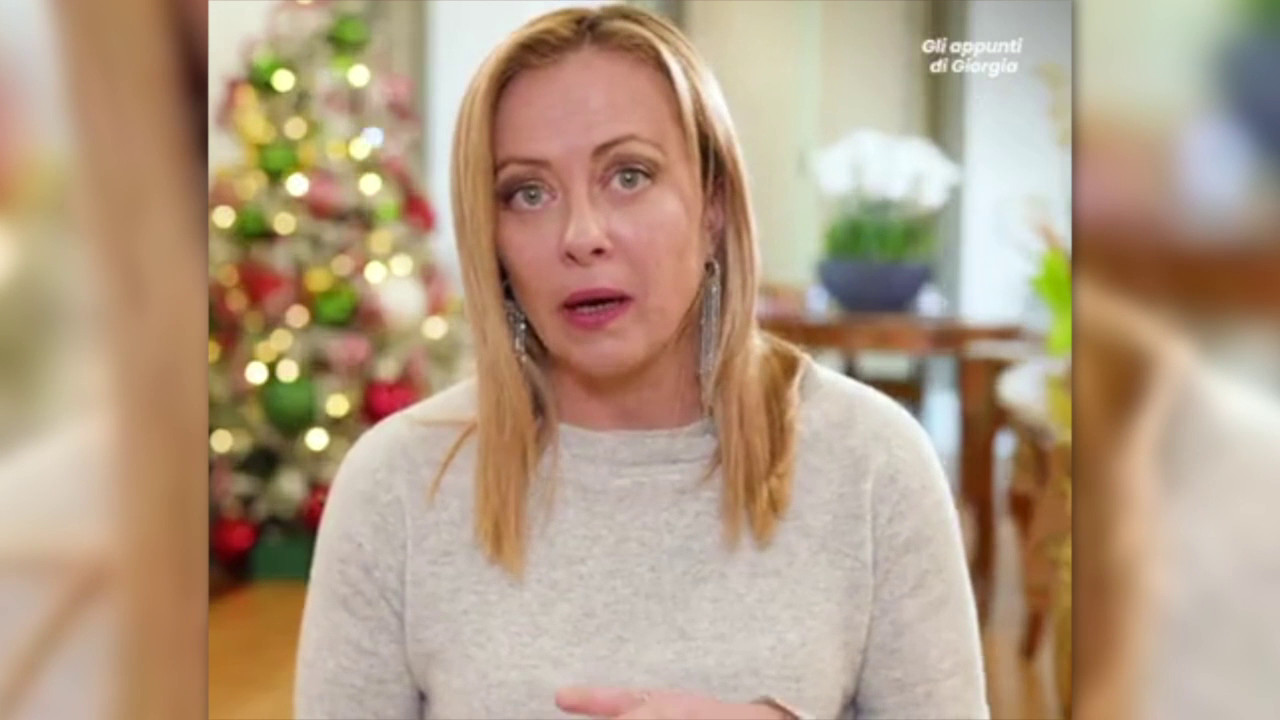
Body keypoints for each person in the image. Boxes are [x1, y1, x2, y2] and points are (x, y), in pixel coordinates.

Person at [294, 6, 987, 719]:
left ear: (713, 205)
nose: (581, 235)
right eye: (528, 193)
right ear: (492, 239)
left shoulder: (872, 462)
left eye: (629, 175)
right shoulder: (396, 484)